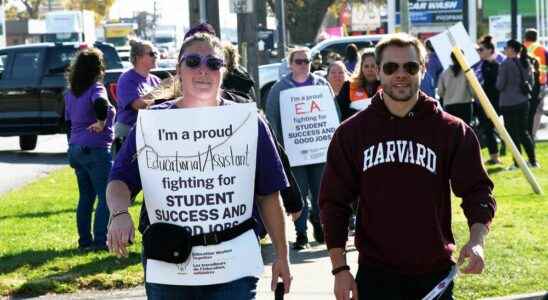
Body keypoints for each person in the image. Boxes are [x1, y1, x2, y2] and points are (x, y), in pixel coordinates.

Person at [107, 32, 292, 299]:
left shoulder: (249, 122)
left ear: (223, 71)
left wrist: (282, 256)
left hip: (233, 266)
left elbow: (269, 196)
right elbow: (119, 181)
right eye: (193, 61)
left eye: (213, 63)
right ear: (178, 70)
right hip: (169, 265)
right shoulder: (152, 123)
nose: (203, 70)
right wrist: (118, 214)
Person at [319, 33, 496, 299]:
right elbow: (333, 203)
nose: (400, 74)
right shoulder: (352, 133)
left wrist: (477, 242)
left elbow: (477, 192)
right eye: (391, 67)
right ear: (377, 71)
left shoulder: (451, 130)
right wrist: (340, 269)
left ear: (423, 70)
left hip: (434, 272)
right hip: (376, 274)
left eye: (410, 67)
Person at [266, 47, 333, 250]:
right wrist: (278, 149)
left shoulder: (322, 85)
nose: (303, 64)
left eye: (307, 61)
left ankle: (318, 222)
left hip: (319, 152)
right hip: (294, 153)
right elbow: (272, 118)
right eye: (299, 61)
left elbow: (332, 114)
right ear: (290, 64)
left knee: (321, 193)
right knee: (299, 194)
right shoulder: (279, 88)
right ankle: (301, 234)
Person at [64, 47, 116, 252]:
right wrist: (102, 122)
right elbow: (101, 104)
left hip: (76, 149)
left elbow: (66, 123)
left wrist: (72, 146)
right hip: (95, 149)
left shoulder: (70, 93)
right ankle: (101, 241)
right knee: (105, 196)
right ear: (97, 68)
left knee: (86, 197)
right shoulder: (96, 88)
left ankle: (84, 241)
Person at [112, 39, 161, 156]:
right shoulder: (127, 79)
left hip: (148, 134)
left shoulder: (155, 80)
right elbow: (136, 105)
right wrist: (160, 91)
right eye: (151, 54)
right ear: (139, 57)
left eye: (156, 53)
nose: (156, 56)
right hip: (128, 134)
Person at [496, 39, 538, 168]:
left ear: (512, 49)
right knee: (524, 132)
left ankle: (518, 163)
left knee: (513, 134)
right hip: (523, 101)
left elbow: (500, 85)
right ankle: (533, 161)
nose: (504, 49)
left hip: (509, 103)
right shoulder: (527, 62)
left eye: (506, 47)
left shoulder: (505, 64)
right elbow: (531, 83)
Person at [476, 36, 502, 165]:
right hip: (484, 102)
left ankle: (496, 156)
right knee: (487, 129)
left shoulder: (496, 64)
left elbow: (496, 86)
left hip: (495, 103)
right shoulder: (482, 64)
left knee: (493, 129)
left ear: (490, 50)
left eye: (481, 49)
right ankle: (494, 156)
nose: (479, 52)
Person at [336, 49, 381, 121]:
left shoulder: (386, 86)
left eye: (373, 66)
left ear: (379, 67)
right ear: (361, 68)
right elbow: (339, 112)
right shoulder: (348, 86)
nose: (370, 70)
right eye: (366, 66)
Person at [437, 52, 475, 125]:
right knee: (465, 129)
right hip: (465, 104)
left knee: (452, 131)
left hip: (449, 106)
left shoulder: (444, 73)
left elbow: (440, 92)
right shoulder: (468, 72)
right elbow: (473, 91)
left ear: (451, 59)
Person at [523, 28, 547, 139]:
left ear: (525, 37)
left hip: (524, 85)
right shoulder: (542, 49)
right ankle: (532, 134)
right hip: (540, 84)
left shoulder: (522, 48)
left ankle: (525, 132)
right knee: (537, 110)